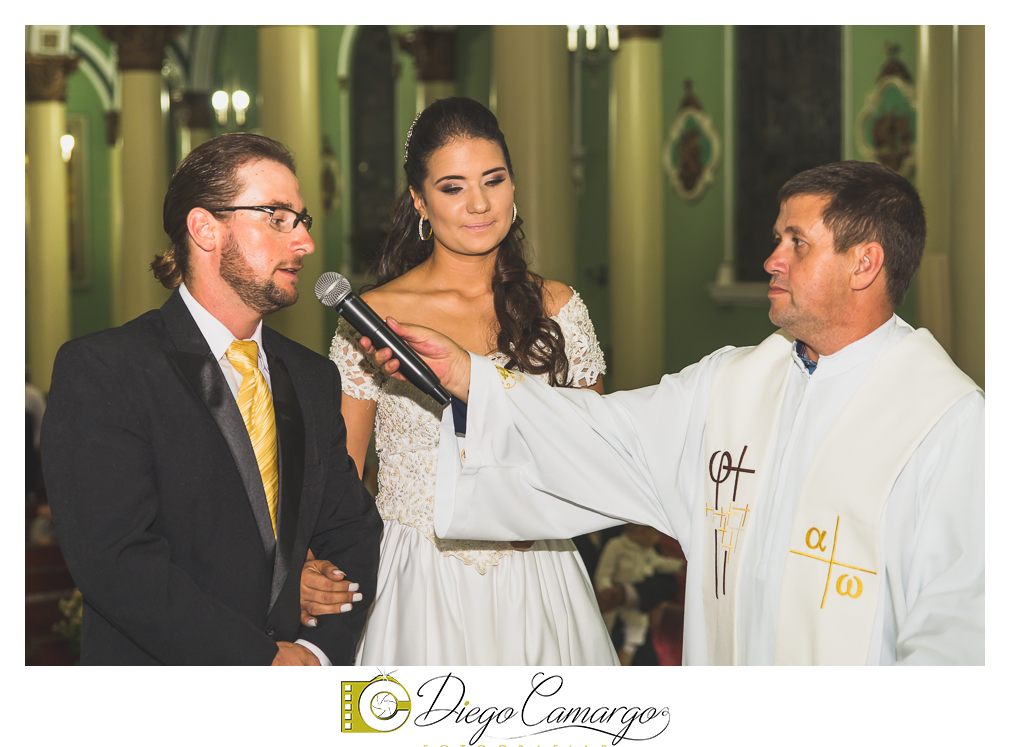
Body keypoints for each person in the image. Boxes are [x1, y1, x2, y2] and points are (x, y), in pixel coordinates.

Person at [361, 161, 984, 665]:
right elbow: (607, 435)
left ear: (865, 264)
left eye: (797, 243)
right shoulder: (733, 383)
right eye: (777, 240)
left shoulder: (945, 422)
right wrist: (467, 373)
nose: (772, 259)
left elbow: (958, 633)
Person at [41, 133, 382, 665]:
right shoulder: (107, 370)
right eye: (276, 217)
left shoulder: (312, 376)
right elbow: (117, 560)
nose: (304, 243)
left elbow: (351, 531)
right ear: (204, 228)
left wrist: (316, 652)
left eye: (302, 220)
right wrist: (259, 660)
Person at [303, 97, 617, 665]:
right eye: (452, 188)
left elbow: (592, 453)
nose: (478, 203)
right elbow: (342, 481)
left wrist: (542, 509)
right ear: (420, 201)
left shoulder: (559, 307)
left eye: (493, 180)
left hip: (537, 572)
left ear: (514, 188)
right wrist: (312, 566)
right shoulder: (375, 317)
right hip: (414, 578)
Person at [594, 524, 684, 665]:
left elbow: (659, 563)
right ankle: (602, 655)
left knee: (638, 625)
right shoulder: (616, 545)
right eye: (656, 534)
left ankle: (626, 657)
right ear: (641, 531)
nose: (658, 538)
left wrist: (680, 566)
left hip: (635, 602)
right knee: (604, 626)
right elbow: (604, 572)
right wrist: (606, 588)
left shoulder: (647, 550)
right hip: (612, 597)